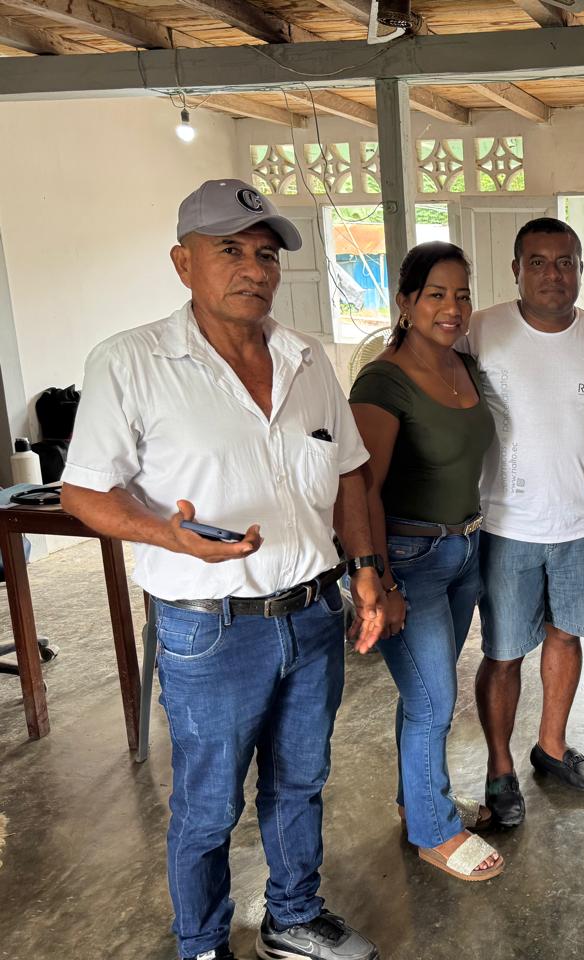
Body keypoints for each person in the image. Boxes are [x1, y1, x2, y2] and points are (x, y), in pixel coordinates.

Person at [60, 179, 384, 960]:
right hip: (211, 630)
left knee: (300, 781)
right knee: (208, 807)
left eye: (266, 254)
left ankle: (292, 917)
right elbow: (83, 492)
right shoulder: (132, 362)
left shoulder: (306, 359)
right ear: (184, 262)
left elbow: (348, 472)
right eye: (230, 250)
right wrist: (167, 536)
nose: (253, 269)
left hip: (313, 613)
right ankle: (203, 942)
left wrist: (367, 571)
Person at [457, 217, 584, 828]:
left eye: (565, 262)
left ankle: (552, 748)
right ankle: (500, 767)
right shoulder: (480, 331)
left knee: (566, 636)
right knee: (503, 652)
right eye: (537, 261)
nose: (552, 274)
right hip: (505, 524)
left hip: (583, 523)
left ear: (581, 269)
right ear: (516, 270)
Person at [349, 242, 504, 882]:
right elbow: (360, 488)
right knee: (436, 700)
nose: (452, 307)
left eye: (462, 294)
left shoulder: (464, 365)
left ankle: (417, 802)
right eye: (436, 294)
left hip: (465, 548)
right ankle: (435, 831)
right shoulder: (382, 382)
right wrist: (379, 580)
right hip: (410, 558)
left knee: (423, 692)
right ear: (406, 303)